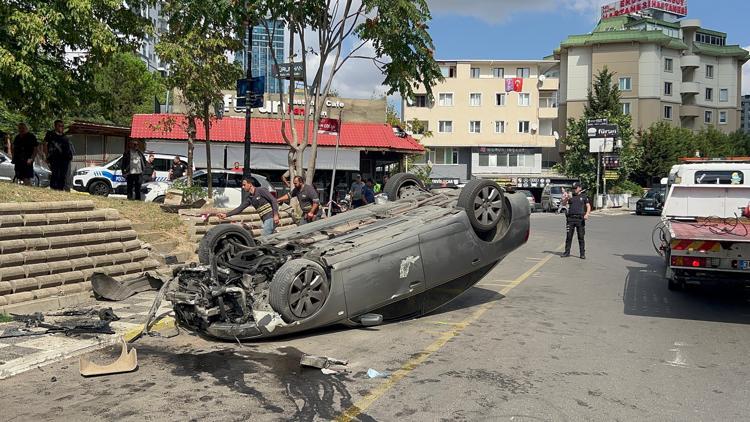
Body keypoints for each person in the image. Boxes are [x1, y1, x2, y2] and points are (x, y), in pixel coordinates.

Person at [561, 182, 591, 259]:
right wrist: (567, 198)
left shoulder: (584, 196)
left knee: (581, 237)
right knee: (569, 236)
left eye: (575, 188)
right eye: (573, 188)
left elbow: (588, 206)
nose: (574, 190)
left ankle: (582, 253)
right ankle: (567, 252)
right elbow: (564, 204)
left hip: (580, 219)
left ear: (579, 188)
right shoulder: (570, 196)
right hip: (570, 218)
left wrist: (587, 214)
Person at [44, 120, 73, 191]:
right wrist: (46, 156)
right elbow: (45, 145)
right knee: (55, 175)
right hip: (54, 158)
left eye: (62, 126)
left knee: (63, 176)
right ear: (55, 126)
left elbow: (68, 148)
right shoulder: (50, 134)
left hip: (65, 159)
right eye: (59, 126)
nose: (61, 127)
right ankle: (54, 189)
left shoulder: (65, 137)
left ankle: (60, 190)